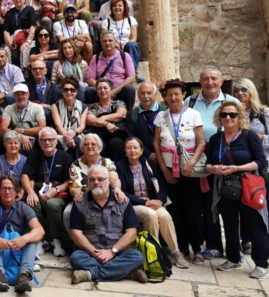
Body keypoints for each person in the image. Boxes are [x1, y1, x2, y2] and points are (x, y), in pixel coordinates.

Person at [205, 101, 269, 279]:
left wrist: (236, 168)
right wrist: (213, 168)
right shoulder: (215, 139)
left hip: (247, 186)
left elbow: (260, 161)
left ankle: (262, 264)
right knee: (229, 224)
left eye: (232, 115)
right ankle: (233, 258)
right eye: (224, 114)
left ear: (239, 117)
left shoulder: (249, 136)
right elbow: (208, 162)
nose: (228, 118)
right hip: (225, 188)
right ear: (219, 117)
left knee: (255, 224)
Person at [187, 66, 240, 260]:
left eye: (214, 79)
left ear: (221, 81)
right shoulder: (190, 101)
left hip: (225, 160)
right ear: (200, 81)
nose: (210, 82)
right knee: (206, 204)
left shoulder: (231, 102)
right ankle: (211, 244)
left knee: (226, 205)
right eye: (206, 78)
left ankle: (232, 247)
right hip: (199, 161)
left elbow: (242, 130)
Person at [154, 79, 207, 266]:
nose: (173, 97)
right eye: (169, 94)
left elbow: (201, 142)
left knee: (192, 209)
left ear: (183, 94)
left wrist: (191, 163)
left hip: (189, 170)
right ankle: (182, 246)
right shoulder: (161, 116)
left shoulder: (193, 115)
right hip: (170, 171)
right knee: (175, 209)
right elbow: (156, 144)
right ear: (165, 97)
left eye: (177, 93)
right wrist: (163, 170)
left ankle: (197, 247)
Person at [117, 137, 190, 269]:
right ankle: (155, 252)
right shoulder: (120, 166)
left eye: (135, 147)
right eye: (129, 148)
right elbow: (122, 192)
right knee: (150, 214)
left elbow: (162, 186)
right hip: (133, 205)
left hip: (153, 202)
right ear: (125, 151)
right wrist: (145, 202)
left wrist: (160, 201)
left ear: (141, 150)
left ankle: (175, 251)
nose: (132, 150)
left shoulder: (148, 163)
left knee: (165, 216)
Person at [69, 165, 147, 284]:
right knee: (76, 258)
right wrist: (95, 253)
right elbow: (76, 234)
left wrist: (112, 251)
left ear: (108, 181)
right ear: (88, 182)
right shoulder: (80, 202)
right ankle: (127, 272)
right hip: (91, 252)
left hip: (118, 251)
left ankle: (91, 274)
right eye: (92, 179)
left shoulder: (122, 201)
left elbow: (131, 234)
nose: (96, 182)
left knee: (137, 256)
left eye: (100, 179)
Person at [233, 78, 269, 256]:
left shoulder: (263, 113)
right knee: (245, 205)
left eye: (244, 89)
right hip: (242, 169)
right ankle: (246, 239)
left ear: (251, 91)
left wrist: (259, 138)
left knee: (266, 205)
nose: (240, 93)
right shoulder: (233, 113)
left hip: (262, 169)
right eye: (236, 90)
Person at [0, 176, 45, 292]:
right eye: (3, 188)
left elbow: (40, 230)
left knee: (32, 236)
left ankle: (24, 275)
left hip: (17, 252)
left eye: (10, 188)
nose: (7, 192)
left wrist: (24, 239)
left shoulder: (24, 207)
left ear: (17, 191)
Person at [21, 127, 73, 257]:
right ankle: (41, 239)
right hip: (38, 191)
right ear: (39, 142)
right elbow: (25, 176)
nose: (47, 143)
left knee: (52, 205)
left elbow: (70, 181)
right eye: (44, 140)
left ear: (56, 141)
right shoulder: (34, 155)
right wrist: (30, 192)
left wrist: (55, 190)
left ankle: (56, 240)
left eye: (50, 139)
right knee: (32, 203)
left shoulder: (65, 157)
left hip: (58, 192)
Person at [85, 31, 136, 109]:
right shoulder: (96, 58)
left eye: (110, 40)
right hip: (101, 93)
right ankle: (95, 115)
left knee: (129, 89)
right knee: (90, 91)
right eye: (104, 41)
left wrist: (115, 91)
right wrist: (103, 88)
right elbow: (89, 79)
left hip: (119, 91)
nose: (107, 43)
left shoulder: (125, 56)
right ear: (101, 43)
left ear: (115, 42)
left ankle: (127, 115)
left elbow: (132, 77)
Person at [85, 78, 129, 161]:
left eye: (105, 88)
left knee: (115, 144)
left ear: (111, 90)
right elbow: (90, 120)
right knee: (97, 145)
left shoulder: (118, 103)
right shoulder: (91, 106)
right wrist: (106, 124)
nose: (102, 90)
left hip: (116, 134)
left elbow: (122, 114)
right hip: (99, 135)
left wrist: (103, 118)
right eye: (99, 88)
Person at [0, 84, 47, 153]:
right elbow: (3, 129)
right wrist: (20, 135)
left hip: (32, 136)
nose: (20, 96)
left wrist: (20, 130)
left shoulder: (37, 107)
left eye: (23, 94)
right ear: (14, 96)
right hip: (15, 136)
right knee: (0, 139)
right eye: (17, 94)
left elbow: (42, 128)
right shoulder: (9, 108)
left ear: (28, 95)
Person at [124, 81, 165, 160]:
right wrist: (148, 154)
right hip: (142, 156)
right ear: (138, 94)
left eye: (149, 93)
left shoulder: (165, 111)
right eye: (142, 93)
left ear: (155, 94)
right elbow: (131, 137)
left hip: (165, 155)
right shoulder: (132, 114)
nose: (146, 96)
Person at [51, 77, 89, 159]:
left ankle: (75, 167)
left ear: (77, 91)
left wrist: (74, 133)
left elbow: (82, 126)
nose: (69, 92)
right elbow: (58, 125)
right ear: (62, 91)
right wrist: (66, 136)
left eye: (72, 90)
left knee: (76, 141)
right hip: (61, 133)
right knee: (58, 141)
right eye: (66, 90)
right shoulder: (55, 106)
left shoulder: (84, 106)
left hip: (76, 133)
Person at [100, 0, 141, 66]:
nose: (117, 8)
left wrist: (125, 45)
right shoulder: (106, 22)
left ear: (124, 7)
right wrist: (114, 45)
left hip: (127, 47)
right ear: (111, 8)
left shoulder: (131, 20)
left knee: (131, 45)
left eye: (120, 5)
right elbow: (104, 38)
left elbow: (134, 38)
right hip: (112, 47)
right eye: (115, 6)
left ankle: (135, 71)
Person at [24, 59, 60, 127]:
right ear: (32, 71)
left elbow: (58, 105)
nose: (38, 70)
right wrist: (38, 106)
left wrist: (48, 107)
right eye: (35, 69)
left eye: (40, 68)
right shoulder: (26, 86)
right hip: (30, 113)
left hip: (48, 116)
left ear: (45, 71)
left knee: (46, 112)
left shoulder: (53, 87)